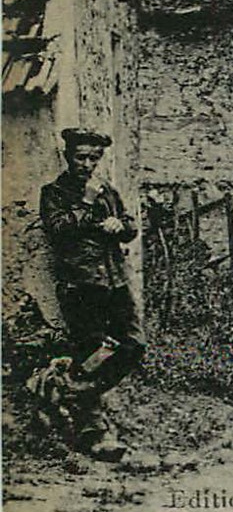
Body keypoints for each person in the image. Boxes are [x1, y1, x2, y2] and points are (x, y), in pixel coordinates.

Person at [36, 128, 144, 460]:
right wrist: (85, 201)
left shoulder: (107, 191)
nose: (87, 163)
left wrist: (119, 226)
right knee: (91, 351)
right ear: (68, 156)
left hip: (114, 281)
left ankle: (65, 389)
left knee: (132, 345)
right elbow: (59, 232)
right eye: (81, 156)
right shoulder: (54, 192)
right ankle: (93, 434)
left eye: (93, 158)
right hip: (82, 286)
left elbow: (131, 227)